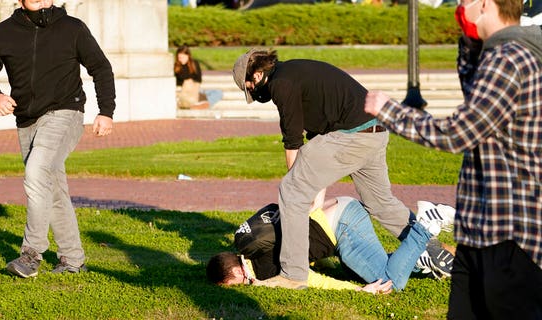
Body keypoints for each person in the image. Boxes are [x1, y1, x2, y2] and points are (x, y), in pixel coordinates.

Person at [364, 0, 542, 317]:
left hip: (510, 237)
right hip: (479, 233)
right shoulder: (499, 54)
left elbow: (458, 132)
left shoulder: (510, 58)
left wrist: (388, 109)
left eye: (464, 0)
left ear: (485, 3)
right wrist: (470, 41)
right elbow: (474, 92)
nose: (458, 5)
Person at [231, 49, 455, 289]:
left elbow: (293, 140)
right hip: (375, 130)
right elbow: (320, 135)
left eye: (250, 88)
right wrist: (316, 191)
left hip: (354, 135)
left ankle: (293, 275)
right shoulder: (296, 70)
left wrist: (299, 187)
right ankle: (431, 246)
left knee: (291, 191)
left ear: (256, 75)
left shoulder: (281, 84)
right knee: (380, 202)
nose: (254, 95)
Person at [0, 0, 116, 278]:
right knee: (51, 185)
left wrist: (106, 111)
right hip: (26, 120)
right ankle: (73, 260)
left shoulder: (72, 28)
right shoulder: (4, 32)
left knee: (36, 171)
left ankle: (31, 253)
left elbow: (100, 67)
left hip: (66, 112)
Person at [206, 198, 455, 292]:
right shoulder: (252, 248)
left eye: (232, 286)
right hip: (339, 214)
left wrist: (359, 292)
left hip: (344, 227)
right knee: (357, 272)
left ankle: (426, 222)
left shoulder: (262, 270)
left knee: (389, 282)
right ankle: (420, 261)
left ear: (237, 273)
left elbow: (312, 280)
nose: (238, 288)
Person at [174, 45, 223, 110]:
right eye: (180, 57)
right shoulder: (177, 66)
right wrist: (189, 79)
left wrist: (189, 79)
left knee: (218, 92)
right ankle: (199, 104)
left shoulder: (194, 63)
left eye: (183, 57)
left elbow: (199, 79)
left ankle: (204, 105)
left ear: (188, 56)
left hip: (195, 89)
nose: (181, 59)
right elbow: (179, 80)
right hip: (184, 91)